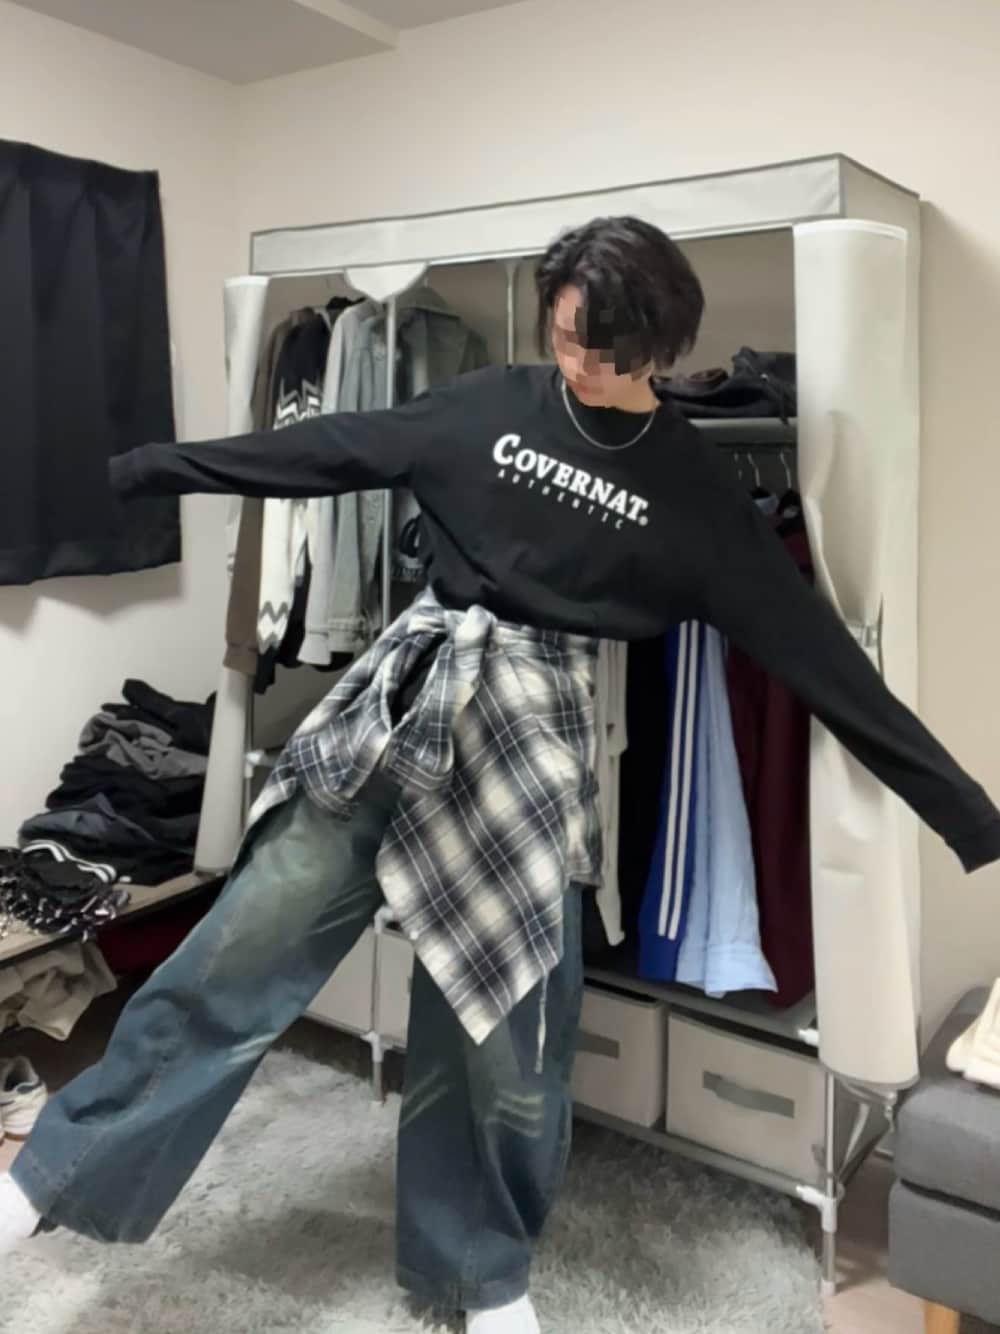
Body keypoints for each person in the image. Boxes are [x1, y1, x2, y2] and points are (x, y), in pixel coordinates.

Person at [2, 217, 998, 1334]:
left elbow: (820, 658)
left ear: (662, 348)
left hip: (530, 735)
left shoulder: (692, 490)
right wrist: (149, 469)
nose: (583, 366)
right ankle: (49, 1178)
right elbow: (332, 447)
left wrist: (967, 813)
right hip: (403, 701)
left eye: (610, 352)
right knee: (236, 952)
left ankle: (480, 1273)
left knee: (507, 1028)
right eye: (568, 337)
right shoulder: (491, 404)